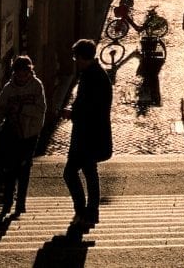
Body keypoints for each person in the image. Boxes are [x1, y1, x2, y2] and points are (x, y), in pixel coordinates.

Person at [61, 39, 113, 230]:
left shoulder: (93, 77)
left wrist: (72, 113)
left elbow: (91, 107)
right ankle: (88, 212)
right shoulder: (94, 74)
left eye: (76, 57)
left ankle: (84, 211)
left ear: (82, 57)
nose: (75, 61)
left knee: (72, 172)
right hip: (92, 134)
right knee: (88, 172)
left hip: (88, 135)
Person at [0, 55, 46, 218]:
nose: (22, 76)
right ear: (15, 73)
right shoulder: (9, 88)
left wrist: (21, 109)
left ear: (30, 72)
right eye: (19, 73)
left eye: (25, 73)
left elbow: (40, 110)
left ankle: (20, 201)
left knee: (24, 168)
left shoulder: (37, 86)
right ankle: (8, 201)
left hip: (30, 134)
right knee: (10, 168)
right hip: (13, 133)